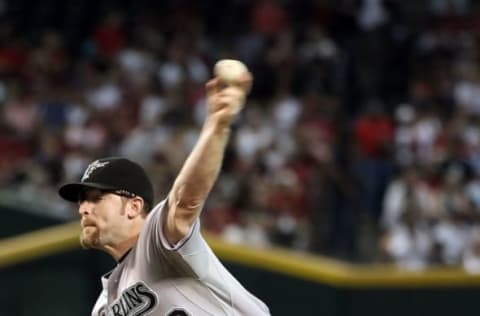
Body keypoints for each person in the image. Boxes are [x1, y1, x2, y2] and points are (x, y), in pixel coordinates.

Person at [58, 69, 271, 316]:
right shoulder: (104, 307)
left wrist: (218, 125)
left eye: (97, 198)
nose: (83, 208)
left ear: (134, 207)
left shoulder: (155, 241)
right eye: (82, 200)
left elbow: (185, 202)